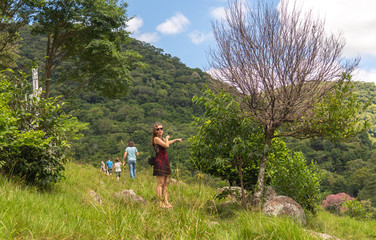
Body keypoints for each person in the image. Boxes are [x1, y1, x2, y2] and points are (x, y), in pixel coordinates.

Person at [150, 123, 182, 208]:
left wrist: (175, 140)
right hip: (159, 161)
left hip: (165, 160)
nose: (160, 130)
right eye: (158, 129)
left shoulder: (161, 138)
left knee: (165, 183)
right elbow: (166, 145)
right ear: (155, 131)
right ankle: (160, 202)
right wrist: (167, 138)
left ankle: (166, 201)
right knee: (160, 183)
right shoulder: (156, 139)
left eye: (161, 128)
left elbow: (166, 143)